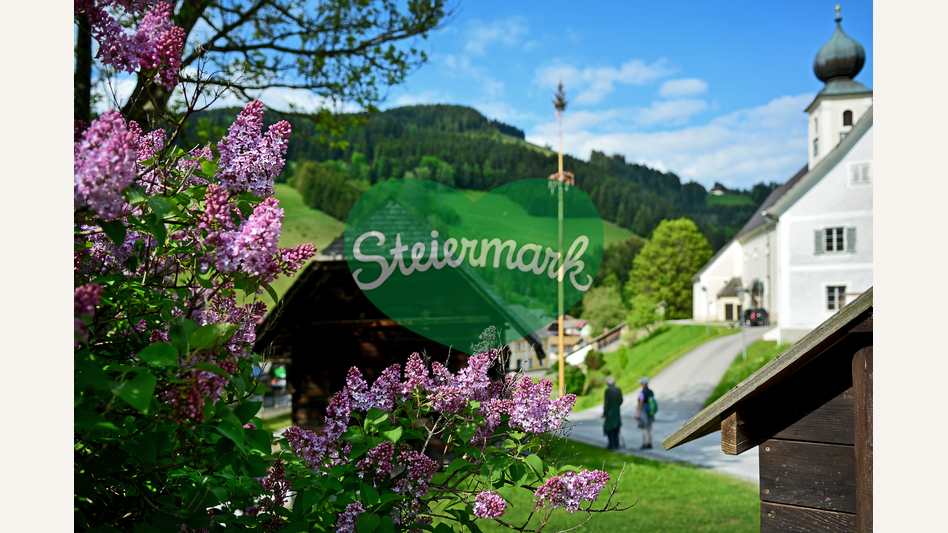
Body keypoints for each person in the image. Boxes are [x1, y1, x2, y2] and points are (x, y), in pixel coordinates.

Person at [601, 375, 623, 449]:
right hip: (616, 411)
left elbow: (606, 403)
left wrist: (604, 412)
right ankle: (616, 444)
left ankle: (612, 444)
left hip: (610, 411)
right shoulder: (618, 389)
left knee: (609, 427)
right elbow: (621, 400)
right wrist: (616, 406)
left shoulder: (608, 390)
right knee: (616, 427)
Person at [635, 376, 655, 449]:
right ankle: (650, 443)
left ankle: (645, 443)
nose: (640, 384)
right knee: (649, 428)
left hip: (643, 411)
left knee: (643, 427)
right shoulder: (651, 392)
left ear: (644, 383)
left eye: (641, 383)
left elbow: (641, 402)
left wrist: (637, 412)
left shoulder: (642, 393)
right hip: (650, 411)